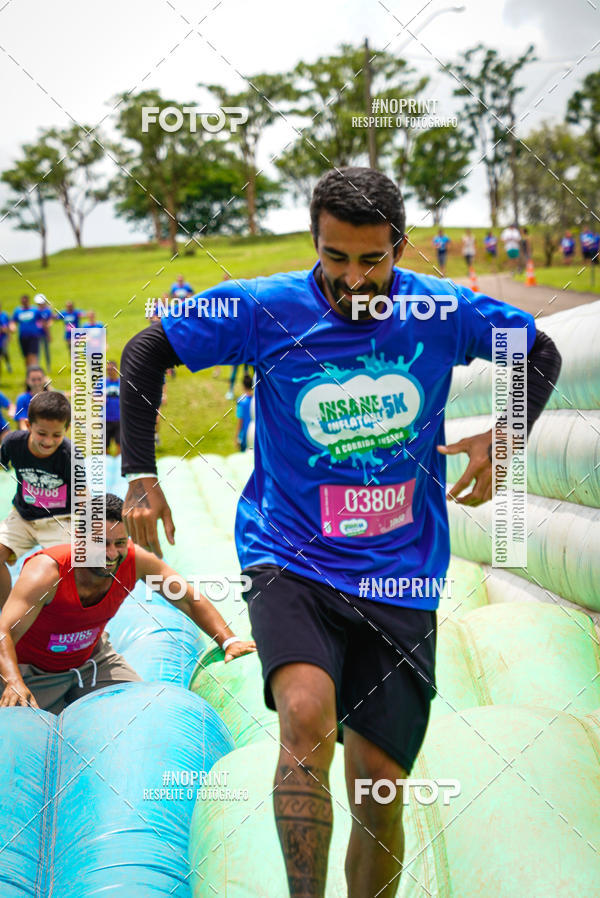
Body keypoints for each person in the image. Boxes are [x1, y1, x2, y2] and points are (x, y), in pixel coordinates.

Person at [118, 167, 562, 898]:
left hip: (401, 572)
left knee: (379, 790)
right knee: (304, 719)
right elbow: (145, 349)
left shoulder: (440, 311)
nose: (353, 279)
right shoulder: (267, 307)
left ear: (400, 247)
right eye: (335, 257)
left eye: (372, 260)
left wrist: (506, 435)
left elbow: (537, 349)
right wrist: (140, 472)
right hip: (290, 555)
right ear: (314, 242)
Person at [0, 493, 256, 713]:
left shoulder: (136, 561)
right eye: (101, 543)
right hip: (34, 671)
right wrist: (13, 681)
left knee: (142, 711)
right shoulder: (47, 572)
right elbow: (3, 632)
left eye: (120, 543)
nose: (111, 554)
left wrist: (229, 641)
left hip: (93, 661)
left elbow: (188, 599)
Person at [0, 391, 72, 607]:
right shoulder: (12, 443)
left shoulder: (70, 455)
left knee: (64, 571)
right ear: (28, 425)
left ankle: (61, 616)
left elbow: (82, 495)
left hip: (59, 521)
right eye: (42, 433)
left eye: (56, 435)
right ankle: (7, 614)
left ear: (66, 429)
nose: (48, 441)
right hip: (23, 517)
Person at [14, 365, 50, 431]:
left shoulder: (51, 398)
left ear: (45, 379)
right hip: (29, 433)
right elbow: (22, 425)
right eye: (33, 380)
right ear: (27, 381)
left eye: (39, 379)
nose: (37, 383)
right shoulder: (22, 399)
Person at [10, 295, 42, 366]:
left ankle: (34, 369)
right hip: (23, 337)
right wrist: (12, 327)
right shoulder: (18, 311)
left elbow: (41, 320)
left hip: (33, 336)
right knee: (26, 356)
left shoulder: (35, 310)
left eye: (25, 302)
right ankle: (29, 370)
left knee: (32, 354)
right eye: (23, 302)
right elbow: (13, 321)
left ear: (28, 301)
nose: (24, 303)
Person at [105, 360, 121, 455]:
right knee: (104, 446)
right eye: (108, 369)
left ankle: (118, 462)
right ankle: (107, 462)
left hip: (119, 419)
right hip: (105, 419)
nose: (110, 371)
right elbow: (94, 397)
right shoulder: (102, 383)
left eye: (112, 369)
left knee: (120, 444)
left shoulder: (122, 383)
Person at [34, 294, 53, 370]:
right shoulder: (35, 311)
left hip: (44, 334)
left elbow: (50, 320)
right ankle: (37, 366)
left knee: (46, 350)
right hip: (37, 334)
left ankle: (48, 366)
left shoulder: (47, 311)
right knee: (37, 351)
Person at [236, 374, 253, 452]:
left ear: (243, 386)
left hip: (244, 435)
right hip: (254, 433)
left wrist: (236, 437)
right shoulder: (255, 400)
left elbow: (240, 420)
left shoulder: (241, 401)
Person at [0, 305, 12, 375]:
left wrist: (9, 335)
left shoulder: (4, 315)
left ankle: (8, 365)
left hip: (3, 337)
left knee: (4, 352)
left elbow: (8, 326)